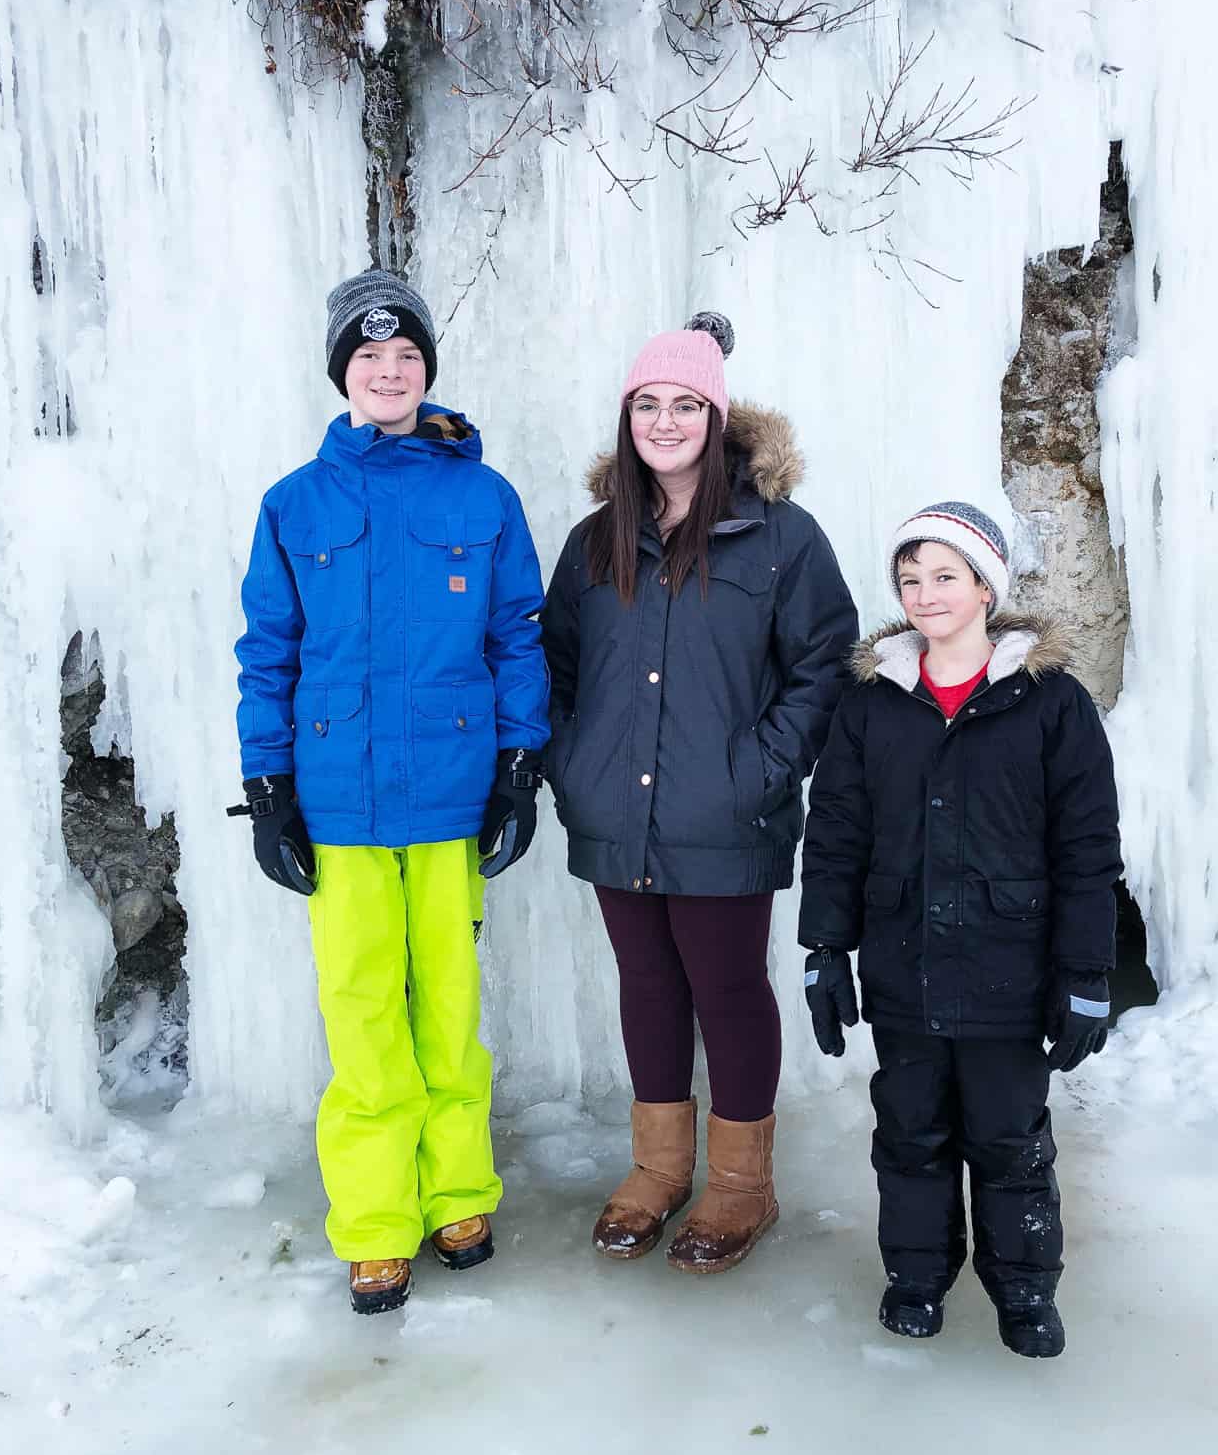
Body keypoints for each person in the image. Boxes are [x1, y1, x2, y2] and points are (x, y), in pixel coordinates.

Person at [230, 269, 549, 1315]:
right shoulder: (294, 502)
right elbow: (268, 651)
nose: (388, 371)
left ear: (425, 371)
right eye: (368, 358)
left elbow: (514, 640)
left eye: (405, 355)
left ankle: (457, 1191)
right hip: (340, 804)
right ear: (343, 373)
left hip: (452, 796)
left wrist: (518, 767)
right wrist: (268, 785)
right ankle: (374, 1223)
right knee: (362, 1012)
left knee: (449, 1009)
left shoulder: (482, 496)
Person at [540, 315, 857, 1274]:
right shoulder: (597, 542)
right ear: (627, 417)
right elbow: (551, 667)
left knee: (726, 990)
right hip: (614, 811)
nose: (665, 420)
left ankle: (740, 1183)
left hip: (727, 812)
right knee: (648, 987)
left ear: (717, 419)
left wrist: (760, 770)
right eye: (649, 404)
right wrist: (572, 762)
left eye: (686, 404)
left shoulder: (780, 538)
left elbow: (823, 666)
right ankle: (660, 1167)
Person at [799, 501, 1121, 1357]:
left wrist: (1088, 972)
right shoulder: (873, 704)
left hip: (1008, 973)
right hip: (903, 966)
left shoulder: (1052, 705)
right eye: (911, 578)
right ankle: (916, 1277)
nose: (926, 593)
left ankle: (1023, 1288)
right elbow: (834, 829)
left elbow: (1087, 847)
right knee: (909, 1132)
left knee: (1010, 1139)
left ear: (986, 587)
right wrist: (824, 949)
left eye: (946, 575)